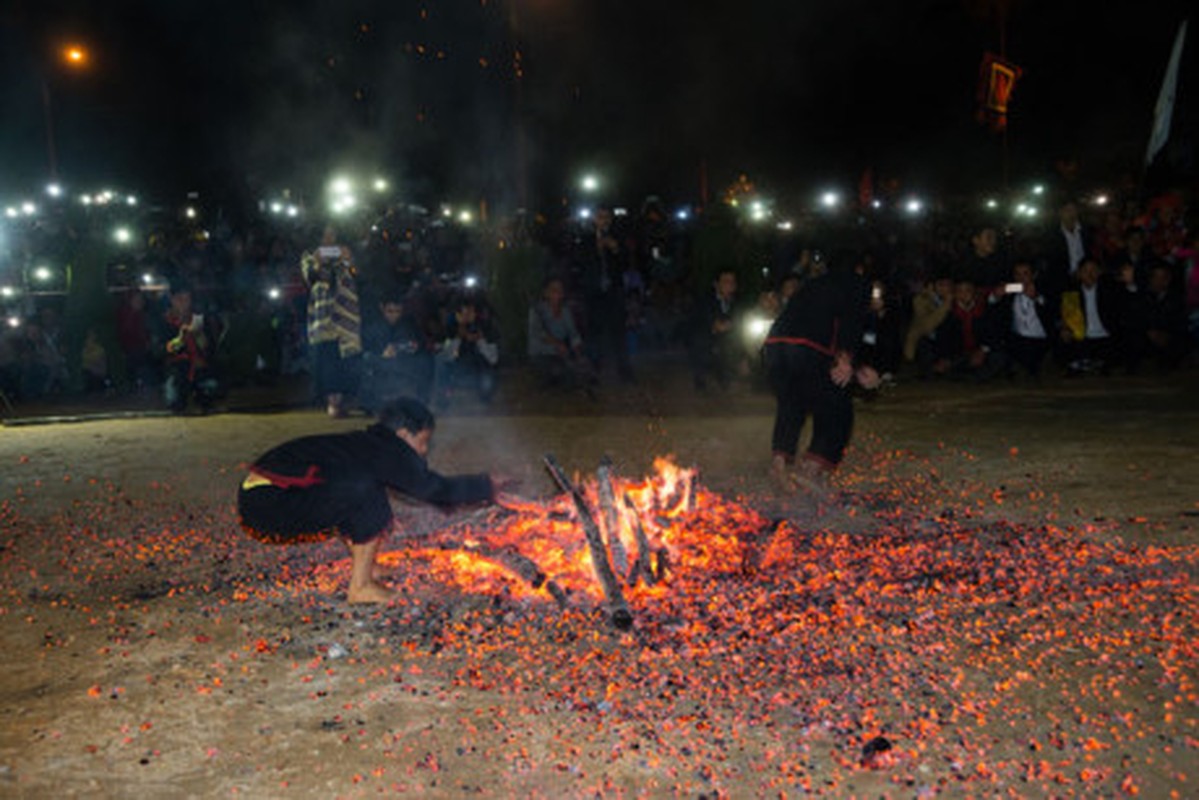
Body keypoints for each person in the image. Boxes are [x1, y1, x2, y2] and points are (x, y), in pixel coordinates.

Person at [237, 397, 507, 604]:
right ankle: (361, 586)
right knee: (367, 490)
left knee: (352, 485)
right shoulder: (388, 451)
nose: (424, 452)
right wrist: (486, 485)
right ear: (402, 435)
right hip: (271, 502)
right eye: (423, 442)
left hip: (258, 496)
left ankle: (368, 569)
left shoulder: (368, 444)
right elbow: (434, 489)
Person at [763, 252, 877, 498]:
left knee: (792, 404)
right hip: (808, 348)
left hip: (774, 346)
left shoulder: (814, 284)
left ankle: (779, 464)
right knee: (838, 406)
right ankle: (811, 470)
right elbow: (851, 320)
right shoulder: (857, 283)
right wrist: (846, 361)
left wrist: (855, 365)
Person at [302, 225, 362, 417]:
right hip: (324, 314)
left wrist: (348, 260)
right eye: (326, 235)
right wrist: (319, 263)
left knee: (346, 359)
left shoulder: (346, 254)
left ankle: (345, 400)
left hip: (346, 313)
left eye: (333, 235)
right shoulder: (310, 256)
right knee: (327, 359)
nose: (330, 239)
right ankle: (332, 403)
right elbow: (311, 278)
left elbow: (356, 275)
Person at [527, 276, 596, 393]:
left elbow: (573, 334)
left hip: (561, 353)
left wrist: (579, 354)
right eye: (554, 290)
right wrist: (558, 344)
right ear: (546, 293)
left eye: (560, 290)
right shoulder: (537, 310)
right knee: (558, 373)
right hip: (541, 353)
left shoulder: (565, 311)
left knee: (585, 363)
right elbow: (539, 333)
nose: (557, 293)